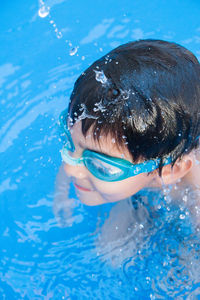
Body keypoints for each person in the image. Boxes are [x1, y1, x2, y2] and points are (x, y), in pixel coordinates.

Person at [58, 39, 200, 207]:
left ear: (170, 171)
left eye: (101, 166)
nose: (69, 168)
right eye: (70, 143)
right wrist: (61, 192)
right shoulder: (96, 147)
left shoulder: (195, 191)